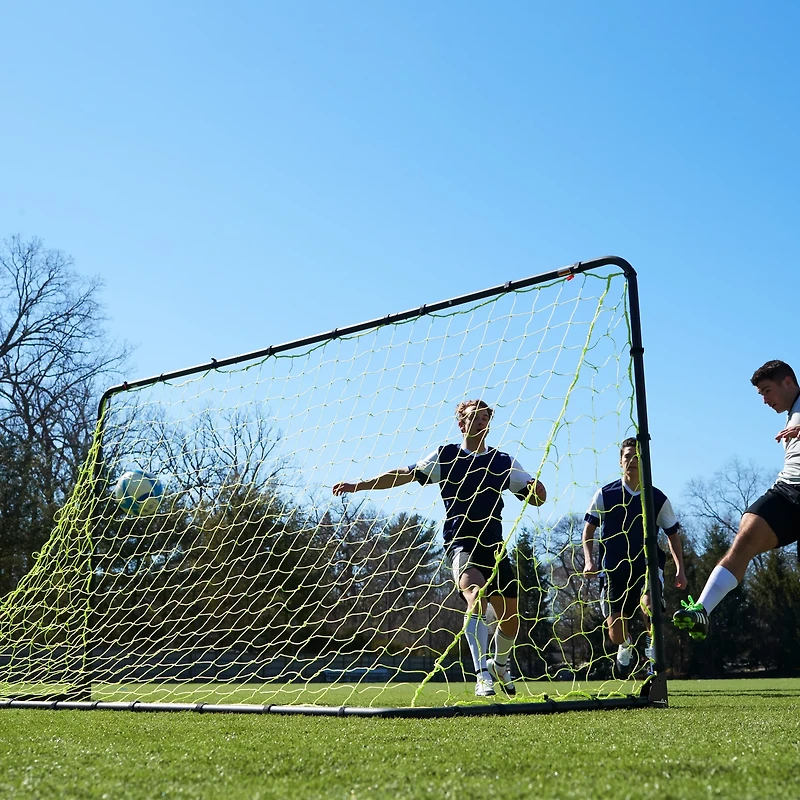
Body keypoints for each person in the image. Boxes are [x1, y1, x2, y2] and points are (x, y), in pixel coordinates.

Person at [333, 399, 546, 698]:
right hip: (461, 543)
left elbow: (536, 497)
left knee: (511, 620)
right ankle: (482, 674)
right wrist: (359, 485)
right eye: (474, 417)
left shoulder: (503, 461)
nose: (481, 421)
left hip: (494, 548)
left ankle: (500, 663)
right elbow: (403, 474)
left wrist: (537, 490)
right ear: (461, 424)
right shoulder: (446, 456)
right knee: (476, 597)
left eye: (486, 416)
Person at [674, 360, 800, 640]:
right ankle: (701, 611)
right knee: (745, 535)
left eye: (767, 391)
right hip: (787, 492)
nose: (765, 400)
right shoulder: (791, 414)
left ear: (788, 382)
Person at [583, 437, 687, 675]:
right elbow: (588, 530)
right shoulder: (605, 494)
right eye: (627, 456)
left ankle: (654, 663)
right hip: (613, 572)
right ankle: (625, 642)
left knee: (651, 607)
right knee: (615, 632)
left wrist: (680, 568)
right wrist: (589, 560)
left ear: (645, 462)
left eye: (637, 456)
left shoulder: (657, 498)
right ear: (621, 462)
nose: (632, 460)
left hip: (647, 567)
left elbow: (672, 534)